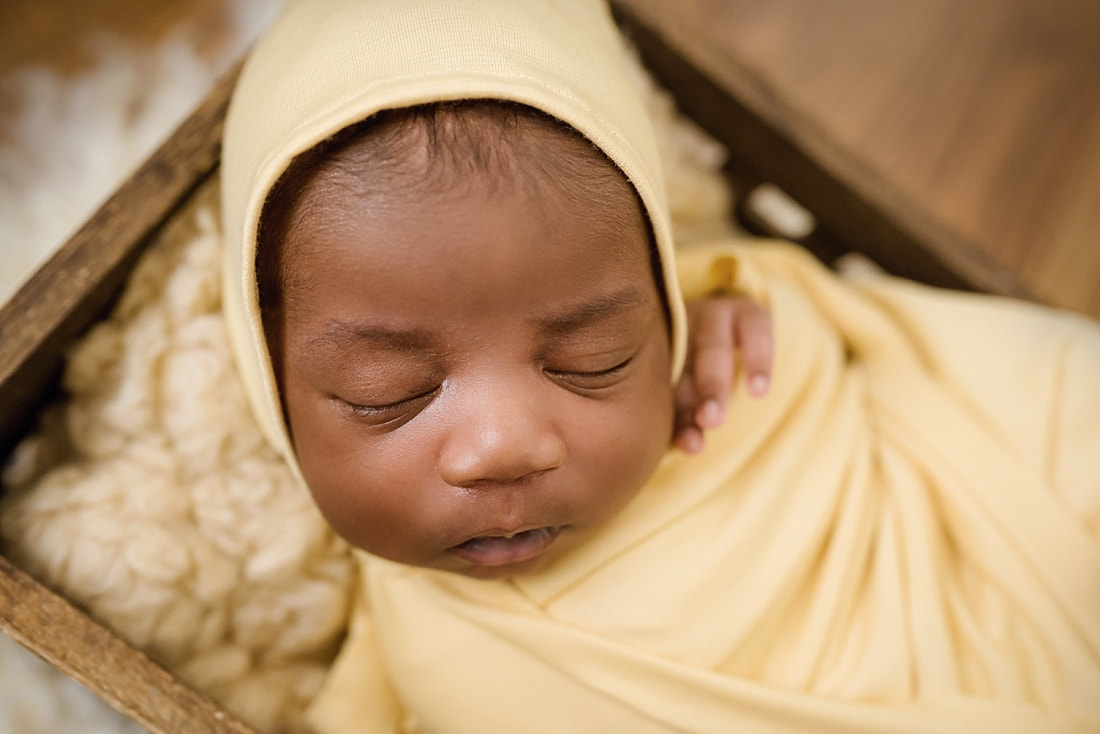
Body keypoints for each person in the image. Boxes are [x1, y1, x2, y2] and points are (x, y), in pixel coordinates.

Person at [220, 1, 1100, 732]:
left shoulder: (732, 356)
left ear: (664, 309)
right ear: (272, 381)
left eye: (589, 359)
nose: (503, 445)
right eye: (392, 393)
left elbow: (973, 385)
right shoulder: (388, 629)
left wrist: (758, 317)